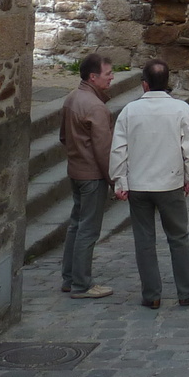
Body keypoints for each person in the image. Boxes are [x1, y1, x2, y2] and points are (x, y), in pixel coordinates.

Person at [109, 59, 189, 309]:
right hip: (170, 182)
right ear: (167, 83)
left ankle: (152, 294)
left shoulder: (129, 111)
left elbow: (119, 149)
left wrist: (120, 181)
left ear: (144, 85)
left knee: (144, 240)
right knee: (178, 237)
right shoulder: (181, 109)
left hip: (139, 184)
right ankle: (185, 291)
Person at [59, 52, 114, 298]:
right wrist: (113, 179)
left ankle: (70, 278)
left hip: (76, 170)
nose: (112, 78)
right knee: (88, 230)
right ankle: (82, 283)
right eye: (108, 74)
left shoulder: (72, 98)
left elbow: (63, 136)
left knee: (76, 225)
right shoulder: (96, 106)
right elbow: (103, 149)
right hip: (92, 174)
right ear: (93, 77)